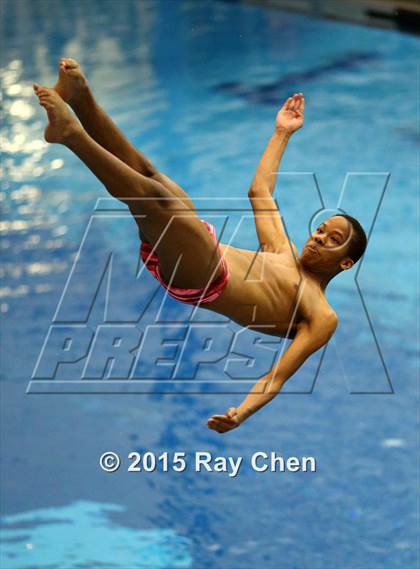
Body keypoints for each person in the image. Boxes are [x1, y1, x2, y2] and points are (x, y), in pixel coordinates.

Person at [33, 58, 367, 433]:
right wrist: (282, 133)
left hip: (204, 277)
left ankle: (71, 135)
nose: (319, 238)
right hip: (196, 246)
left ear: (346, 263)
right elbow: (260, 191)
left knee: (158, 199)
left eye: (333, 240)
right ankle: (81, 97)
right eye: (321, 230)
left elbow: (277, 377)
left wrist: (242, 412)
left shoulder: (322, 314)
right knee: (150, 175)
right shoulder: (282, 249)